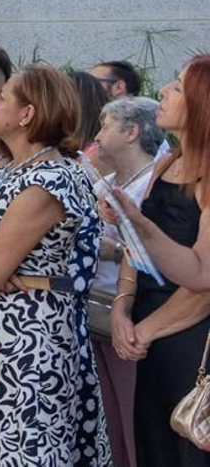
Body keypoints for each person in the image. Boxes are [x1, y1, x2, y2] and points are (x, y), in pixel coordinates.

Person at [0, 64, 110, 466]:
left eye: (4, 97)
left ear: (28, 114)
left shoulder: (52, 178)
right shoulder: (4, 175)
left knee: (27, 451)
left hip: (31, 341)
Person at [110, 58, 210, 466]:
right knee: (154, 446)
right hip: (150, 332)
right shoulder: (168, 161)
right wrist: (122, 304)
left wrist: (145, 329)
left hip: (190, 338)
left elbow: (203, 284)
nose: (163, 92)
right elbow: (137, 242)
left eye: (177, 87)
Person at [89, 96, 163, 467]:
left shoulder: (153, 184)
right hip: (97, 309)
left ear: (132, 132)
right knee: (111, 421)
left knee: (134, 417)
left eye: (105, 125)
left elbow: (158, 253)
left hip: (131, 313)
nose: (97, 134)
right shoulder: (107, 182)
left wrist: (110, 246)